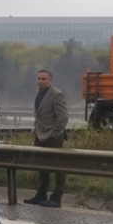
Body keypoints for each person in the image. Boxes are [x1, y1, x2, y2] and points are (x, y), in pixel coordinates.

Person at [25, 69, 69, 208]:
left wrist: (55, 134)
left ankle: (56, 197)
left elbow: (63, 117)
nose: (40, 81)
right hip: (40, 135)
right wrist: (35, 129)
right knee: (41, 167)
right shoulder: (40, 94)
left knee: (57, 168)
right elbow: (40, 115)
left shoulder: (56, 94)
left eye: (43, 79)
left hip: (52, 137)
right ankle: (41, 194)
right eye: (38, 78)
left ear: (51, 80)